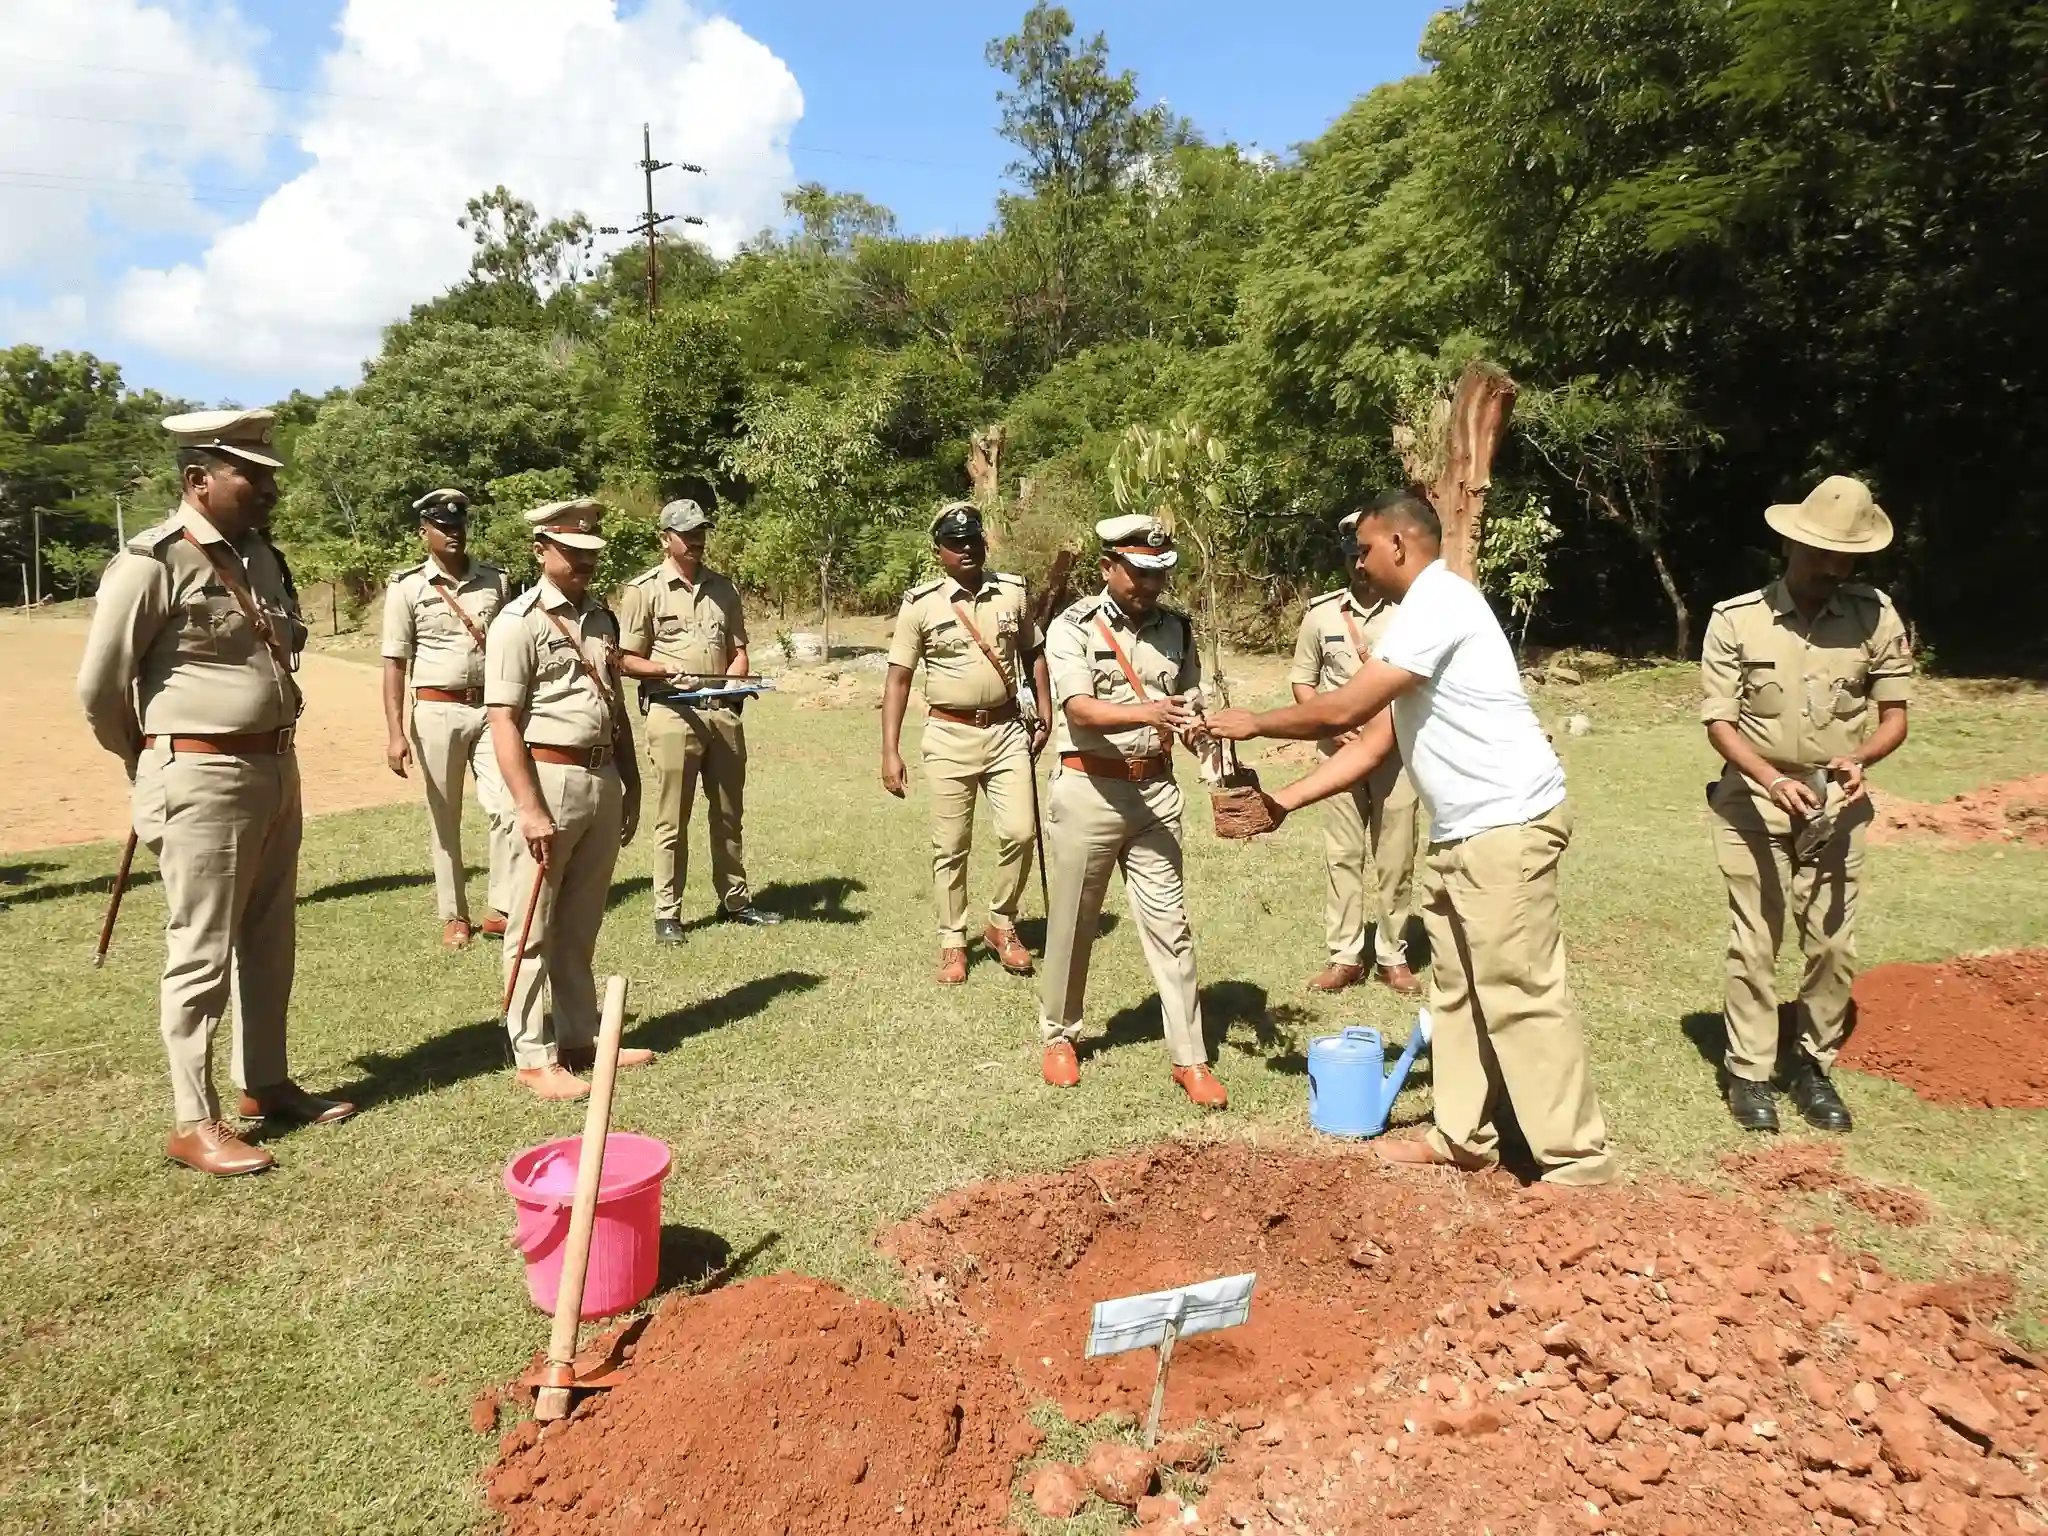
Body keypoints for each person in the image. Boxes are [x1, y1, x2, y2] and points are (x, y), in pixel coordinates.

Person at [1209, 488, 1614, 1185]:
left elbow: (1345, 706)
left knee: (1520, 991)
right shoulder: (1417, 620)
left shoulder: (1439, 602)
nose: (1357, 564)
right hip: (1465, 833)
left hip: (1506, 825)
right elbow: (1372, 744)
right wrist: (1284, 801)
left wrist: (1254, 722)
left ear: (1399, 543)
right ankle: (1462, 1135)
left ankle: (1575, 1159)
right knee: (1455, 991)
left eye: (1363, 549)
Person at [76, 409, 355, 1176]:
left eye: (268, 476)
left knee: (269, 937)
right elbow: (101, 688)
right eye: (252, 476)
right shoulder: (152, 562)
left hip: (273, 767)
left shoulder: (262, 557)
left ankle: (264, 1082)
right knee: (201, 949)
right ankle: (192, 1119)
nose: (268, 489)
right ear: (198, 479)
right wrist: (152, 761)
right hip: (200, 773)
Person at [1700, 476, 1911, 1134]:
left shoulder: (1876, 614)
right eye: (1820, 553)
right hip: (1753, 802)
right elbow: (1719, 724)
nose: (1832, 568)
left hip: (1837, 803)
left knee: (1832, 944)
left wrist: (1861, 759)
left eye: (1845, 556)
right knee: (1755, 943)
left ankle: (1813, 1064)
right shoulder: (1736, 619)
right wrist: (1768, 778)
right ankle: (1749, 1071)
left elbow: (1894, 717)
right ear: (1790, 545)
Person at [1036, 512, 1227, 1107]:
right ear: (1108, 567)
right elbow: (1079, 710)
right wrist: (1150, 713)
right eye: (1140, 572)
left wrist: (1212, 750)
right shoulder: (1072, 626)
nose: (1151, 584)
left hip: (1156, 797)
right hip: (1089, 788)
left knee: (1173, 928)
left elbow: (1191, 705)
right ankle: (1061, 1036)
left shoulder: (1179, 628)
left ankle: (1190, 1056)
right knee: (1073, 924)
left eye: (1161, 573)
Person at [486, 499, 650, 1101]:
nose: (582, 563)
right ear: (540, 551)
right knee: (532, 924)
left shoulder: (599, 618)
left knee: (580, 922)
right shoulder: (518, 622)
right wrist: (529, 808)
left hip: (600, 776)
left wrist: (628, 778)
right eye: (571, 552)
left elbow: (614, 704)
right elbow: (503, 719)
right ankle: (533, 1054)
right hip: (547, 780)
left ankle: (580, 1035)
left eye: (590, 554)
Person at [881, 501, 1054, 983]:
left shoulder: (1011, 593)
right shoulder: (920, 604)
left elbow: (1033, 652)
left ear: (984, 543)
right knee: (951, 845)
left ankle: (1002, 922)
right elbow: (898, 679)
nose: (966, 550)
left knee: (1021, 832)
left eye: (973, 541)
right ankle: (953, 941)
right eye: (955, 544)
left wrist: (1045, 709)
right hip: (949, 734)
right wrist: (890, 750)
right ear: (939, 552)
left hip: (1005, 731)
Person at [613, 498, 779, 942]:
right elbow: (626, 659)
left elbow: (739, 649)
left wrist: (734, 683)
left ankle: (735, 900)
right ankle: (668, 912)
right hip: (672, 713)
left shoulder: (723, 589)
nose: (697, 541)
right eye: (687, 534)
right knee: (672, 818)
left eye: (701, 532)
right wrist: (664, 670)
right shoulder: (643, 591)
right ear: (665, 539)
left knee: (728, 813)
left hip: (722, 713)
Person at [1286, 507, 1423, 996]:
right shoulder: (1321, 615)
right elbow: (1303, 681)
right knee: (1342, 855)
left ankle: (1393, 955)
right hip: (1338, 753)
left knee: (1395, 855)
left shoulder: (1410, 612)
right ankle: (1345, 956)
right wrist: (1331, 721)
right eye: (1351, 558)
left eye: (1364, 555)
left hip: (1396, 754)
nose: (1359, 567)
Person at [379, 489, 516, 949]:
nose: (453, 533)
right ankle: (455, 914)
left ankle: (500, 906)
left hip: (491, 709)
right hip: (437, 711)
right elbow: (395, 663)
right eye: (443, 526)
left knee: (506, 807)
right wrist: (396, 733)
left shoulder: (496, 581)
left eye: (459, 526)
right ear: (425, 533)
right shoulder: (407, 587)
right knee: (445, 816)